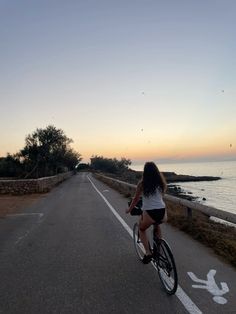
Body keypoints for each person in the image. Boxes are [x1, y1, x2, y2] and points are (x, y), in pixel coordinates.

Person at [126, 161, 167, 264]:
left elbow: (135, 199)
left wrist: (129, 210)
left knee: (142, 229)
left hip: (149, 212)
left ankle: (148, 253)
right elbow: (160, 197)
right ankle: (159, 250)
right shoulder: (161, 182)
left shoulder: (142, 184)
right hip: (162, 212)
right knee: (157, 225)